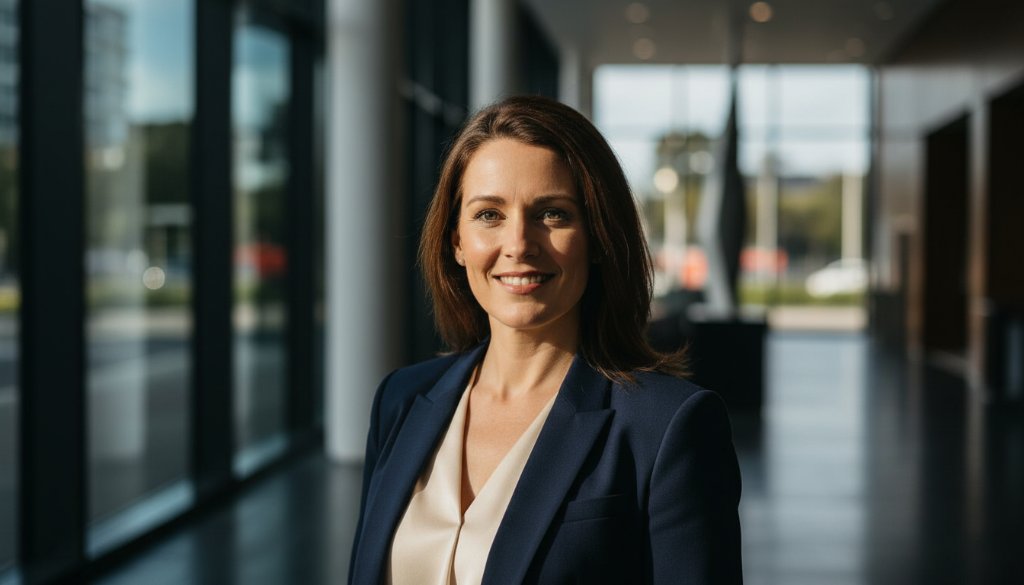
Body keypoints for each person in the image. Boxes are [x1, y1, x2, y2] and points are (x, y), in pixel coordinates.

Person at [348, 95, 742, 585]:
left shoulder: (666, 428)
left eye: (552, 214)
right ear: (456, 241)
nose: (518, 244)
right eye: (489, 214)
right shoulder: (401, 400)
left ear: (598, 236)